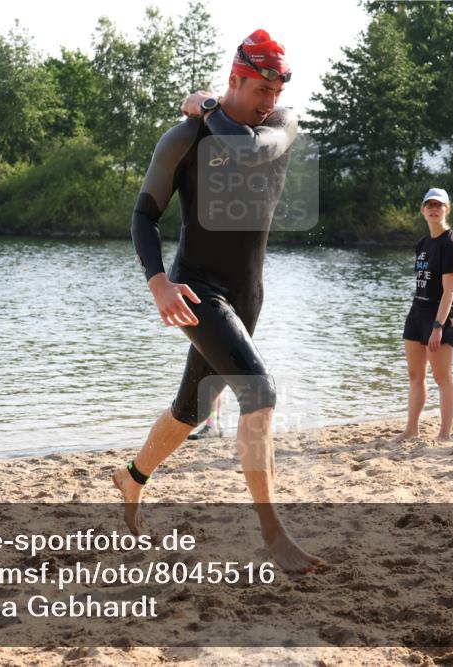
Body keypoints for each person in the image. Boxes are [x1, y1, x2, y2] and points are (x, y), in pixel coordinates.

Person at [113, 29, 321, 573]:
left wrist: (207, 107)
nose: (269, 100)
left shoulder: (281, 125)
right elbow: (143, 216)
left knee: (193, 408)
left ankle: (131, 478)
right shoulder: (183, 139)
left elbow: (249, 150)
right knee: (260, 390)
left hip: (248, 295)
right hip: (197, 289)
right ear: (235, 78)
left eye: (276, 90)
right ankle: (274, 536)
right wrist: (157, 281)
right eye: (260, 89)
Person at [392, 188, 453, 444]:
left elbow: (449, 291)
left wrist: (438, 325)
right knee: (415, 375)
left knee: (441, 377)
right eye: (429, 205)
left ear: (447, 209)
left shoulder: (451, 243)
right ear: (422, 210)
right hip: (417, 313)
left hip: (440, 316)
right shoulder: (423, 243)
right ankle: (412, 429)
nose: (434, 209)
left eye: (438, 205)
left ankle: (444, 434)